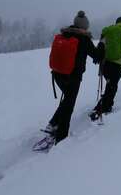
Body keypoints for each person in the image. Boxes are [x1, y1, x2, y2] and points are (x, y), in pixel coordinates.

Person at [38, 11, 101, 149]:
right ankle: (61, 137)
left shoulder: (64, 34)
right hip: (73, 76)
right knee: (69, 104)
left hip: (57, 74)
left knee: (67, 99)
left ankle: (53, 123)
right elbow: (96, 56)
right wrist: (102, 47)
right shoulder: (84, 39)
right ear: (85, 26)